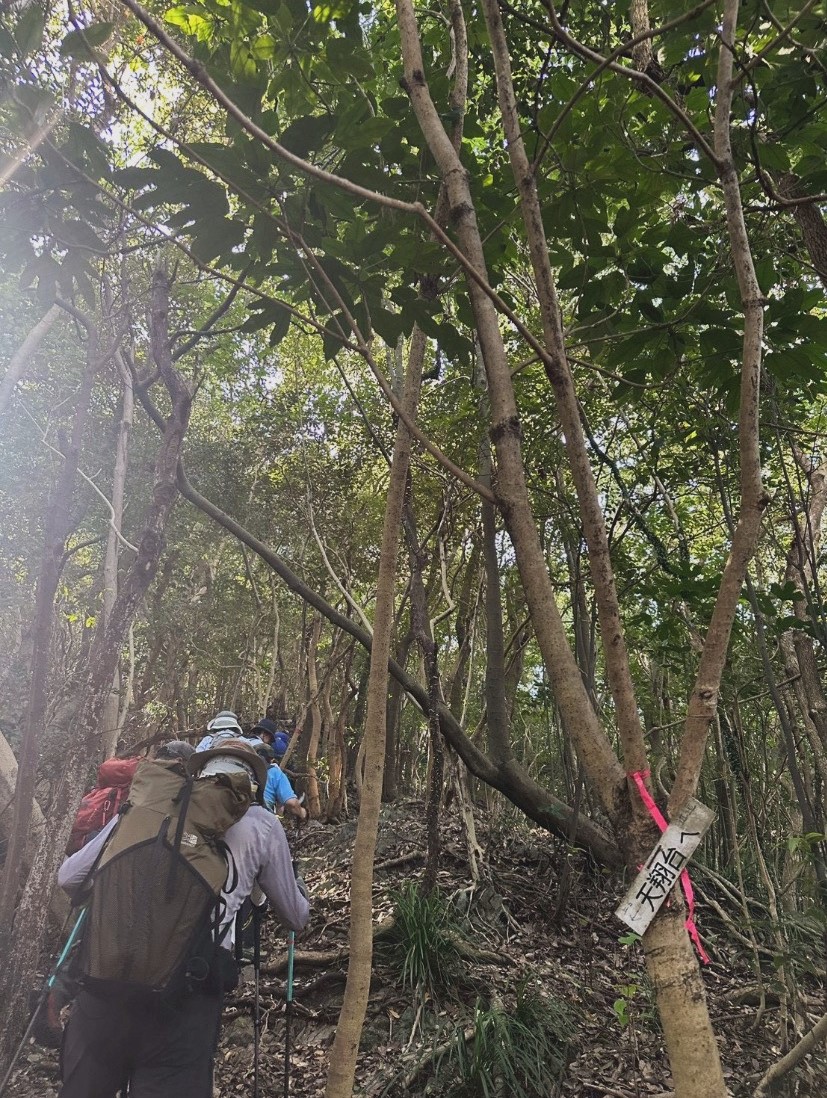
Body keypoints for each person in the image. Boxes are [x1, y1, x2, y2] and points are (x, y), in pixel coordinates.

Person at [56, 738, 309, 1098]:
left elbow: (70, 878)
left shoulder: (144, 807)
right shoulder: (262, 825)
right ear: (250, 782)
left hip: (105, 984)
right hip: (186, 999)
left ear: (200, 771)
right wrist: (299, 888)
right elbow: (296, 917)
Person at [259, 725, 307, 821]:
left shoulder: (245, 769)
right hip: (264, 816)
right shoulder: (275, 773)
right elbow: (291, 803)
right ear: (271, 759)